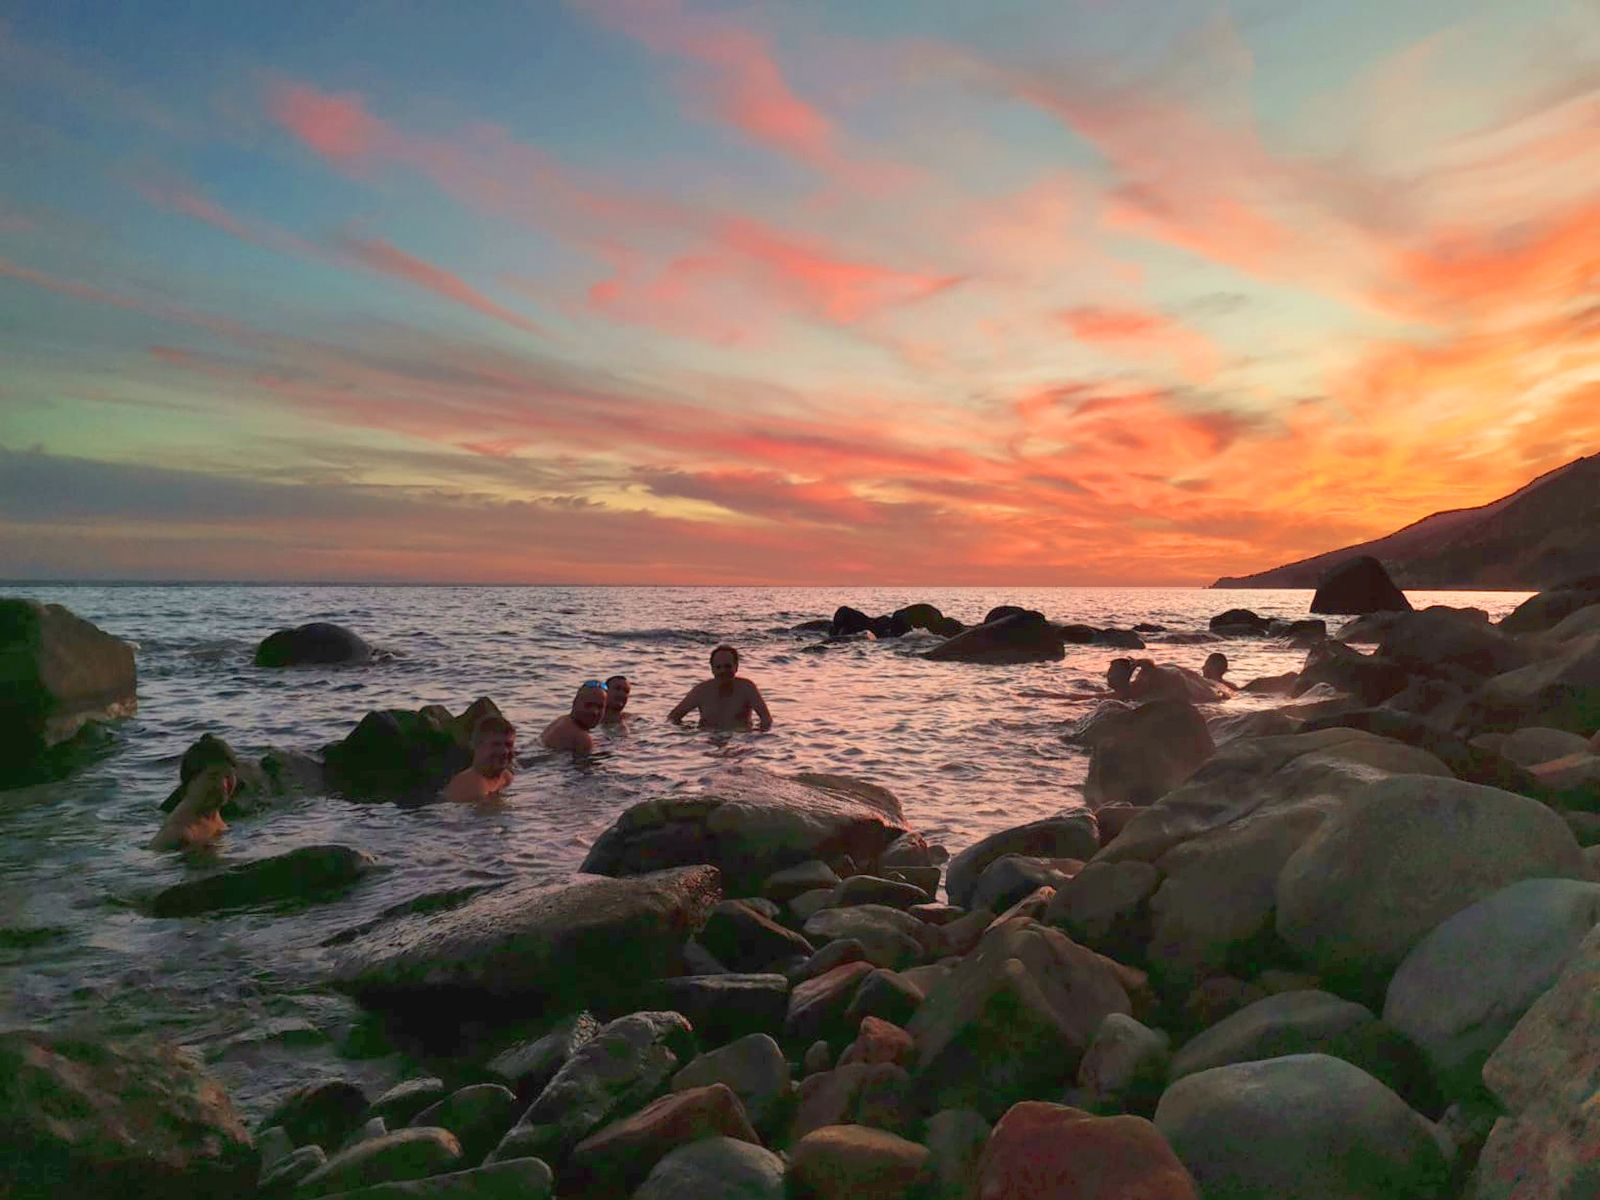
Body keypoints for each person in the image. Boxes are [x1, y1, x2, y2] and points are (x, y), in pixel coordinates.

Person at [668, 645, 773, 731]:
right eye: (718, 667)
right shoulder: (701, 691)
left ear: (736, 667)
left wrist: (756, 738)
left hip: (739, 742)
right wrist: (690, 733)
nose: (723, 671)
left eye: (727, 666)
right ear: (712, 669)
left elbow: (766, 720)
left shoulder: (747, 688)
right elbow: (673, 718)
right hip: (708, 741)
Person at [150, 763, 235, 850]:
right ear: (190, 783)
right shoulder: (177, 832)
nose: (223, 785)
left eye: (228, 776)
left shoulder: (214, 816)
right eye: (213, 777)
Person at [443, 715, 517, 802]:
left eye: (508, 745)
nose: (504, 751)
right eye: (496, 744)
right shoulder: (472, 786)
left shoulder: (505, 777)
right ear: (477, 746)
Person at [541, 680, 609, 753]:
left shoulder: (562, 720)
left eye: (600, 707)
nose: (594, 712)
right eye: (588, 705)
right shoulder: (582, 739)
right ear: (575, 703)